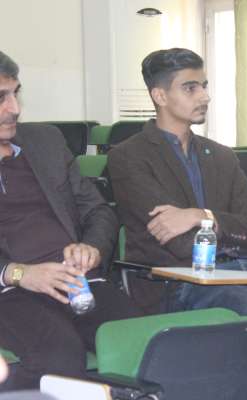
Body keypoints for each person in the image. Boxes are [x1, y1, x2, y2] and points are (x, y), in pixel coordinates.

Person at [0, 51, 143, 391]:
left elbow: (98, 211)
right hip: (10, 291)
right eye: (1, 98)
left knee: (144, 343)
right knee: (61, 356)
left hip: (78, 281)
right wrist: (18, 273)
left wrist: (91, 246)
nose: (15, 108)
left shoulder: (45, 142)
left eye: (16, 93)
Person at [108, 48, 247, 315]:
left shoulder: (222, 156)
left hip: (243, 271)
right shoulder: (129, 157)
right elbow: (182, 243)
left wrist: (201, 216)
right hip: (178, 283)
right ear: (160, 96)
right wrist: (231, 229)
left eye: (204, 86)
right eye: (190, 88)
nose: (204, 96)